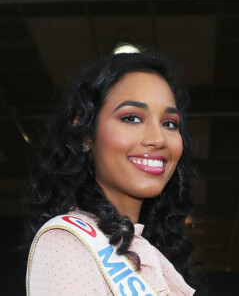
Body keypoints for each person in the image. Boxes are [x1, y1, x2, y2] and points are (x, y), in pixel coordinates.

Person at [25, 44, 197, 295]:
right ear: (85, 132)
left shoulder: (150, 251)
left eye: (169, 123)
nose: (158, 139)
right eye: (131, 118)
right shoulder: (67, 242)